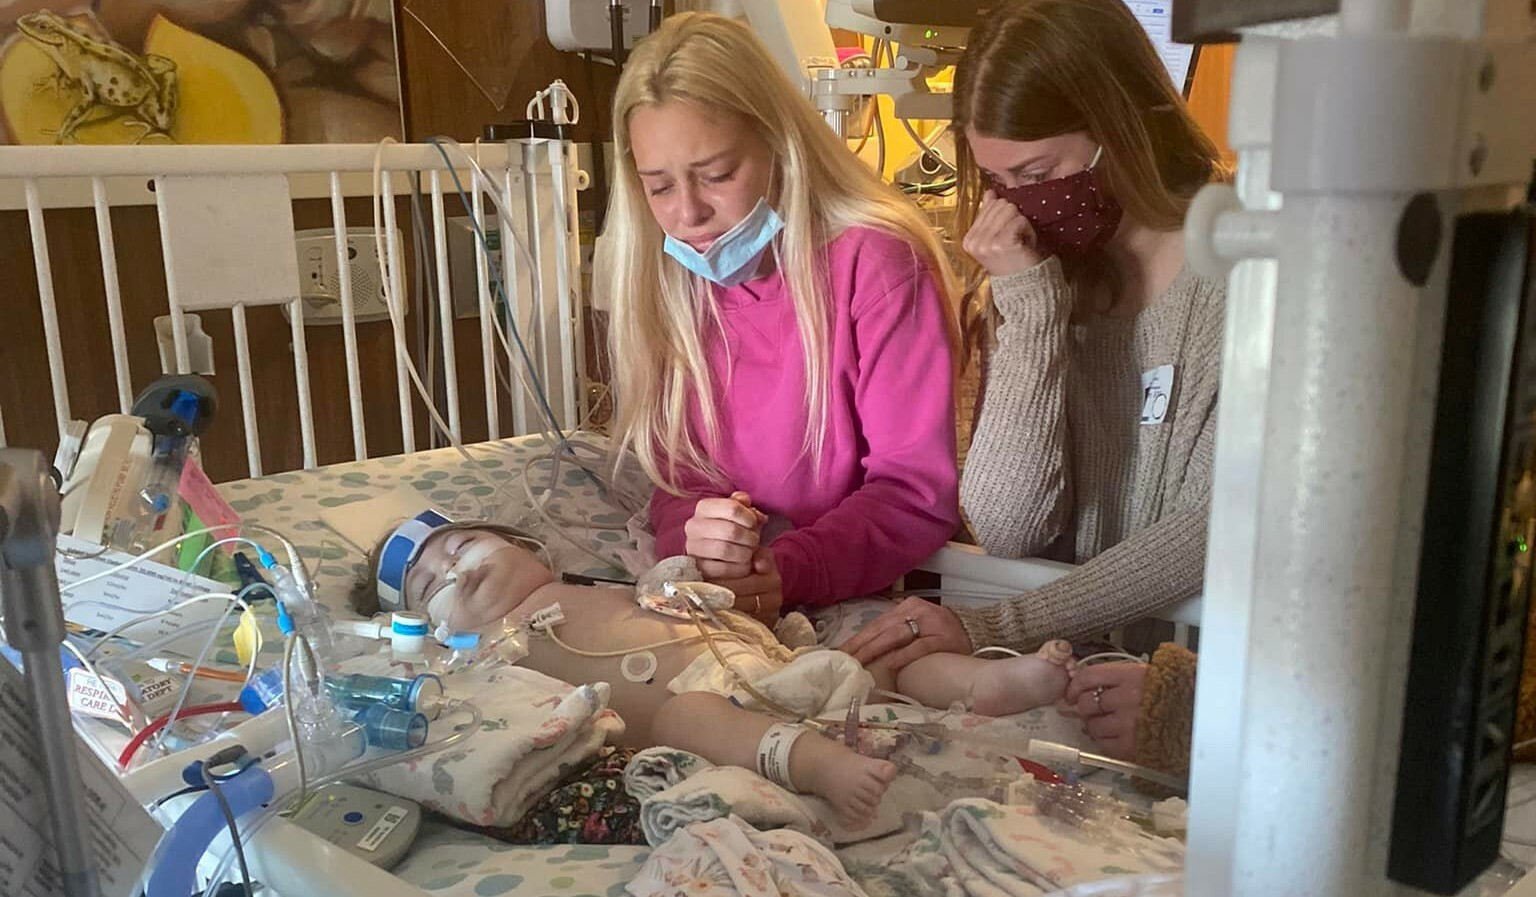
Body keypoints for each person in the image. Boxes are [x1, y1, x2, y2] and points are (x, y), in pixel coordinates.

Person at [842, 0, 1220, 771]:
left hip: (1201, 681)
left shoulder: (1237, 262)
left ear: (1123, 125)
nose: (1019, 201)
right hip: (1073, 681)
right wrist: (1031, 306)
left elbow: (1214, 528)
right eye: (998, 181)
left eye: (1039, 175)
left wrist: (1002, 623)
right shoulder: (1047, 277)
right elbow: (1009, 525)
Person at [352, 514, 1078, 827]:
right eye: (430, 584)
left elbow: (671, 591)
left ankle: (991, 684)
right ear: (428, 630)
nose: (454, 568)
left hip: (768, 662)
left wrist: (677, 584)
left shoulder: (590, 584)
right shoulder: (483, 656)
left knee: (880, 663)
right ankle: (819, 765)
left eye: (463, 546)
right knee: (689, 719)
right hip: (687, 708)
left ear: (525, 546)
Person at [602, 12, 962, 622]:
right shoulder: (667, 279)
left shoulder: (876, 264)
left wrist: (787, 570)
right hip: (734, 582)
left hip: (857, 580)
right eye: (659, 187)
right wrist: (698, 537)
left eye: (717, 175)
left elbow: (914, 493)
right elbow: (679, 480)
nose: (688, 214)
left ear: (779, 147)